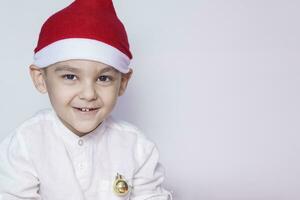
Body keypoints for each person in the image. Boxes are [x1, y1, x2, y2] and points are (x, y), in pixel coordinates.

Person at [0, 0, 172, 199]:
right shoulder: (25, 145)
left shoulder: (137, 148)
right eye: (70, 77)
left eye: (103, 78)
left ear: (122, 82)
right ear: (41, 79)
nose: (89, 94)